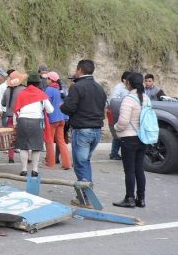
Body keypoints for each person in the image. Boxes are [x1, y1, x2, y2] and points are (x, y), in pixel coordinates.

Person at [61, 60, 107, 194]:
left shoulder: (77, 87)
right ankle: (88, 192)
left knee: (81, 164)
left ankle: (86, 196)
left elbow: (69, 107)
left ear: (79, 70)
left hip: (83, 129)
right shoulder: (99, 87)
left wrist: (62, 106)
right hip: (97, 129)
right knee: (85, 162)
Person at [112, 72, 149, 208]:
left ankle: (129, 198)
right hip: (143, 138)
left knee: (129, 171)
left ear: (129, 83)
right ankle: (141, 199)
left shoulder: (128, 99)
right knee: (139, 169)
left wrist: (116, 127)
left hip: (129, 138)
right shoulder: (146, 98)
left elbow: (123, 121)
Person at [13, 73, 53, 177]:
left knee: (23, 147)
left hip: (22, 121)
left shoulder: (22, 93)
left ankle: (24, 169)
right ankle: (35, 170)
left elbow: (16, 109)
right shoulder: (41, 94)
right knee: (36, 147)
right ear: (38, 83)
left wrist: (14, 123)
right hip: (36, 122)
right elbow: (50, 110)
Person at [42, 72, 72, 169]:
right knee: (61, 141)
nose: (46, 80)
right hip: (61, 118)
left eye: (47, 78)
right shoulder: (59, 89)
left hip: (52, 119)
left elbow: (46, 104)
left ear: (51, 80)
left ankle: (50, 162)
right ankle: (67, 163)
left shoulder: (49, 89)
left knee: (49, 141)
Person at [2, 70, 27, 163]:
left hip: (9, 116)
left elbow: (3, 103)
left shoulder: (7, 90)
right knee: (24, 137)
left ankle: (11, 157)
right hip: (20, 116)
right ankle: (27, 158)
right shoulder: (23, 90)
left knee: (11, 138)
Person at [107, 71, 132, 160]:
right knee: (117, 133)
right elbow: (114, 99)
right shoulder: (119, 87)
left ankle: (118, 153)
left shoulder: (129, 88)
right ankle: (114, 153)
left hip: (125, 112)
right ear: (124, 79)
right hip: (117, 112)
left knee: (123, 134)